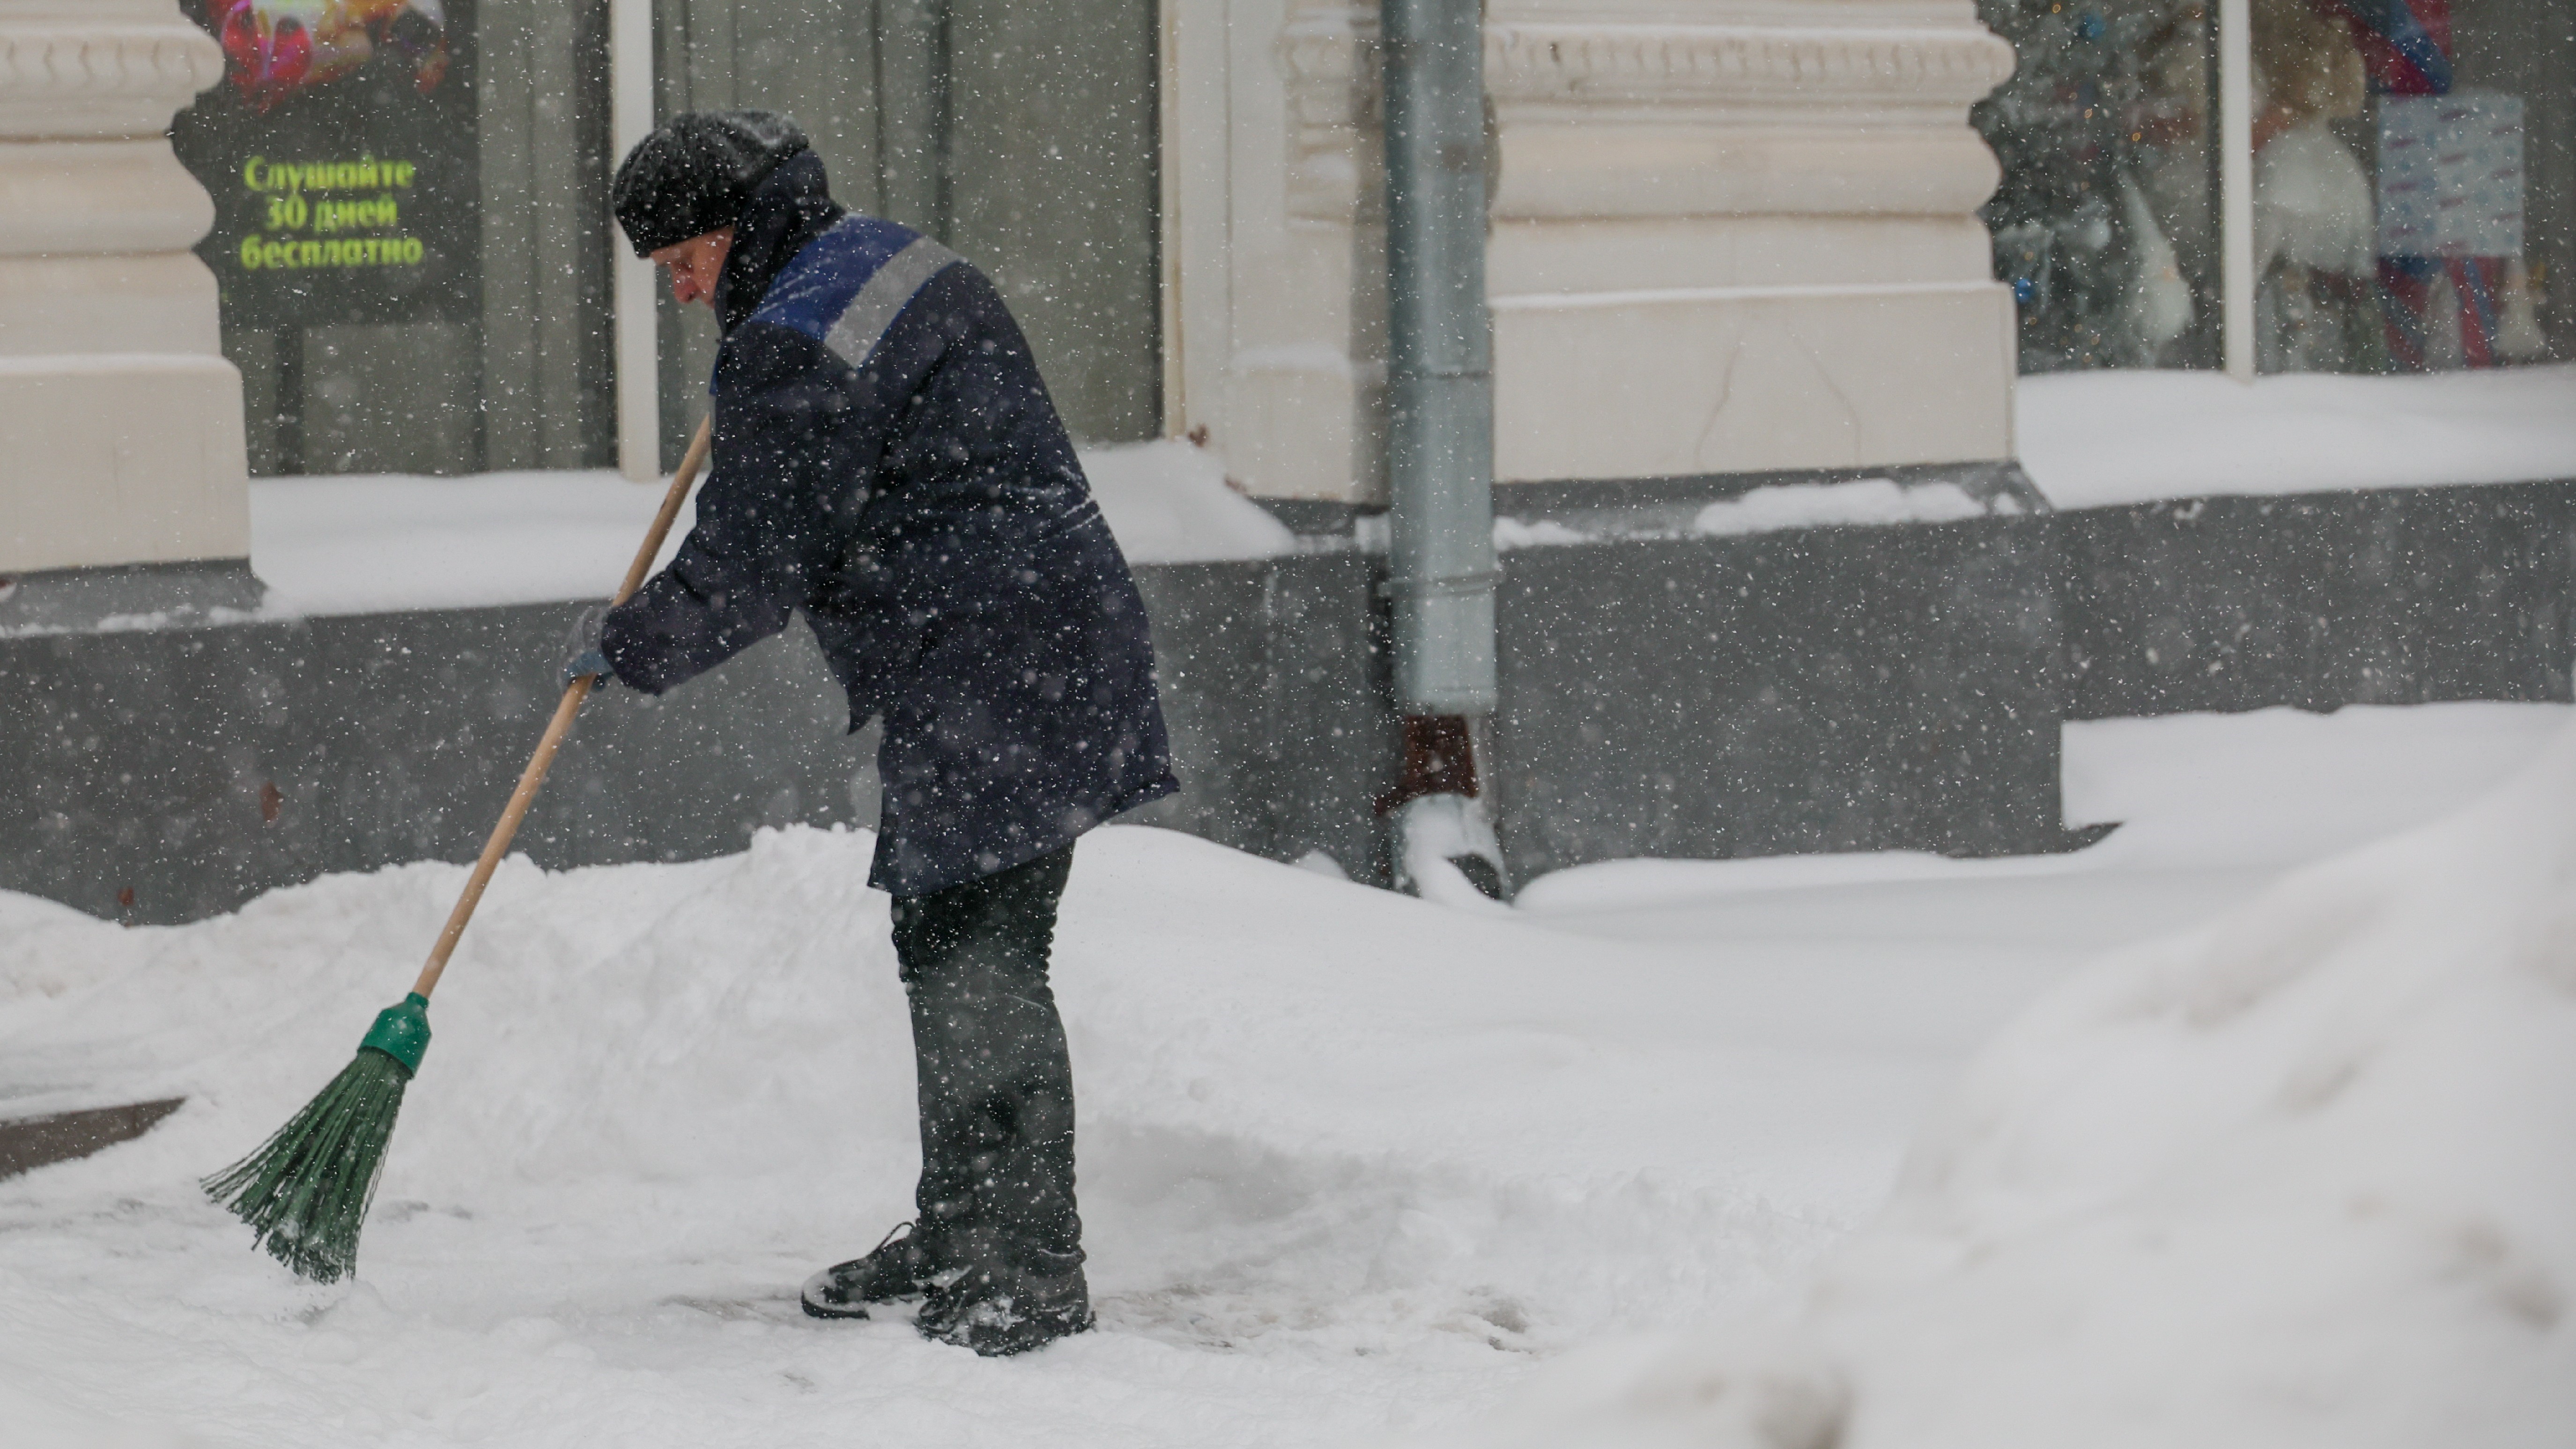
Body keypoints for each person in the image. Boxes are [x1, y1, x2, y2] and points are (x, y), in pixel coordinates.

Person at [568, 110, 1177, 1356]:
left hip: (996, 664)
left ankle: (1032, 1271)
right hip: (1032, 641)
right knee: (951, 946)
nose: (680, 292)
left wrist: (631, 644)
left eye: (682, 262)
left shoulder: (795, 338)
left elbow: (750, 564)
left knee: (978, 964)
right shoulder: (877, 258)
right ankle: (962, 1231)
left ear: (739, 230)